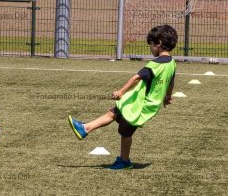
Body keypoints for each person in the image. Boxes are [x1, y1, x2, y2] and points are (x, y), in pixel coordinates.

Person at [68, 24, 178, 170]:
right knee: (116, 114)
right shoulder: (172, 63)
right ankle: (86, 129)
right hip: (146, 105)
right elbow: (171, 82)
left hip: (140, 105)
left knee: (124, 128)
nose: (150, 48)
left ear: (158, 43)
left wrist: (121, 91)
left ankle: (122, 159)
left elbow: (136, 77)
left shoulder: (155, 64)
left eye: (150, 45)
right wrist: (168, 97)